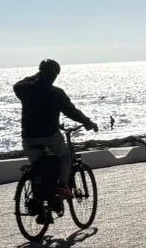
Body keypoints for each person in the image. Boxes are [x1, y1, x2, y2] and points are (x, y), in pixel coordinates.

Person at [14, 59, 98, 221]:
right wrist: (87, 122)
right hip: (50, 137)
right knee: (65, 156)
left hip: (29, 138)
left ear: (40, 72)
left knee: (39, 167)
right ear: (55, 75)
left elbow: (17, 85)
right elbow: (72, 111)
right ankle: (62, 185)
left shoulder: (26, 90)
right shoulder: (57, 93)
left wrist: (36, 75)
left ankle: (39, 203)